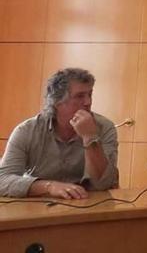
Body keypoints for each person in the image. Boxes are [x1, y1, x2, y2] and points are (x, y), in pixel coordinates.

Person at [0, 68, 119, 198]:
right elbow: (3, 180)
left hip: (86, 204)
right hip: (38, 205)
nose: (88, 102)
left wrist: (90, 138)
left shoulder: (105, 127)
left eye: (90, 94)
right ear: (57, 102)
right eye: (80, 96)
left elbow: (104, 184)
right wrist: (49, 187)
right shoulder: (27, 131)